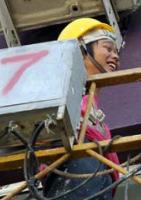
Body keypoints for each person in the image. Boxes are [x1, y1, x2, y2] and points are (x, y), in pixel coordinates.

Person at [43, 18, 121, 199]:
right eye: (108, 48)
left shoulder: (95, 114)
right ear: (80, 51)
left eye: (116, 52)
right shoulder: (60, 99)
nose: (116, 56)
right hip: (78, 172)